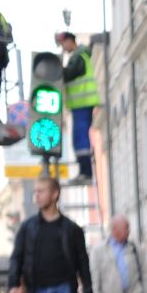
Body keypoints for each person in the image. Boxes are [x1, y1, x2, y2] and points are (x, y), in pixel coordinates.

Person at [56, 32, 99, 181]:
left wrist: (57, 67)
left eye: (63, 44)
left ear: (69, 41)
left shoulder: (79, 56)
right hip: (80, 104)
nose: (62, 48)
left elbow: (69, 74)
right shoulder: (80, 55)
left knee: (80, 138)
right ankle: (84, 171)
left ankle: (86, 172)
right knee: (78, 138)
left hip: (83, 102)